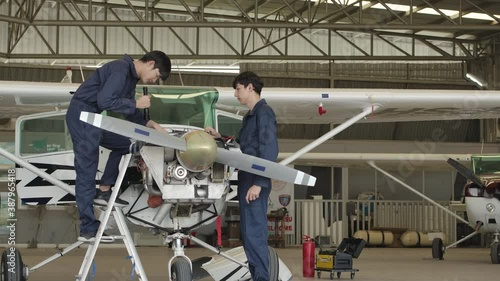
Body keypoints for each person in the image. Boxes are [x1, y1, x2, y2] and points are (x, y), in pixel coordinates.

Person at [65, 51, 171, 242]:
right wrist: (135, 103)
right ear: (151, 64)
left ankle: (104, 191)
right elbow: (105, 101)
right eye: (156, 76)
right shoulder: (120, 69)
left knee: (126, 144)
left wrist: (151, 124)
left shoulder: (130, 78)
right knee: (87, 169)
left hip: (95, 118)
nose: (154, 81)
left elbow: (128, 112)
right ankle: (88, 228)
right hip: (82, 115)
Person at [205, 71, 278, 281]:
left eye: (237, 89)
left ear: (249, 88)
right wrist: (220, 137)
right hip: (248, 178)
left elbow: (268, 150)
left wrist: (259, 183)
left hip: (256, 179)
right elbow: (246, 143)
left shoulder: (264, 113)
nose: (236, 94)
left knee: (255, 235)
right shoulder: (250, 116)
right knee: (248, 236)